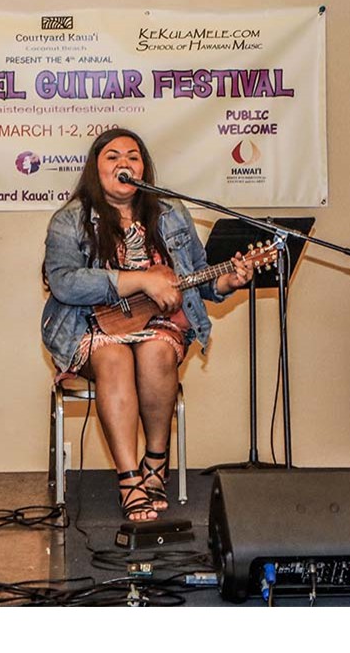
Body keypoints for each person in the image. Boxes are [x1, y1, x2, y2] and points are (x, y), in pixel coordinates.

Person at [41, 129, 252, 521]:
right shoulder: (69, 220)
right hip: (87, 326)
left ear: (144, 169)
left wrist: (227, 282)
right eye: (113, 156)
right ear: (95, 169)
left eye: (133, 157)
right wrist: (139, 280)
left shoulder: (171, 213)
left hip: (157, 324)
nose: (124, 163)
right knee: (115, 357)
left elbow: (197, 275)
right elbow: (64, 282)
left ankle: (155, 463)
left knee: (157, 351)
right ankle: (128, 479)